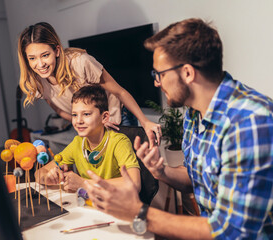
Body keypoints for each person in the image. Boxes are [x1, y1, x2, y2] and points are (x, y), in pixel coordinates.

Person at [84, 18, 273, 239]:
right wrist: (160, 171)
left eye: (160, 74)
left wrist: (138, 212)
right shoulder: (194, 112)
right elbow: (195, 180)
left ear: (187, 73)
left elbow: (230, 231)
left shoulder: (250, 122)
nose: (156, 82)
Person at [18, 22, 162, 147]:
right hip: (93, 125)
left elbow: (120, 92)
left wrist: (145, 122)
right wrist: (83, 122)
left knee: (130, 171)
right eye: (32, 58)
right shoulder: (35, 81)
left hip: (116, 117)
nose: (40, 64)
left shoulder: (80, 62)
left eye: (45, 55)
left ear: (56, 51)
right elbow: (59, 109)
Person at [34, 84, 141, 192]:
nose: (79, 121)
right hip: (89, 205)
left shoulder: (119, 142)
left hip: (117, 205)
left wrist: (84, 183)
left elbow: (134, 183)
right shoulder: (77, 143)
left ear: (104, 117)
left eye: (86, 114)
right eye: (75, 115)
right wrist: (48, 177)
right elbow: (39, 173)